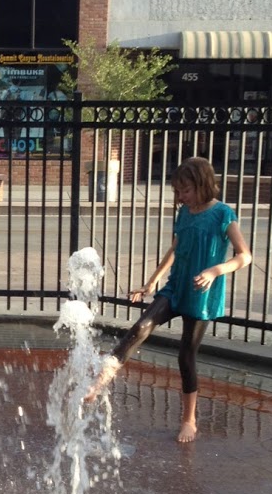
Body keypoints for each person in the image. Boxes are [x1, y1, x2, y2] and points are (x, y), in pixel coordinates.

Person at [85, 157, 252, 443]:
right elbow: (175, 248)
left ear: (202, 184)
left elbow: (244, 256)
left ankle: (189, 419)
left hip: (202, 292)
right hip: (175, 287)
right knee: (140, 327)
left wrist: (215, 270)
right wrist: (151, 282)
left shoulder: (223, 214)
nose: (181, 197)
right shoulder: (185, 213)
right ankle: (101, 381)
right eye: (178, 191)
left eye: (185, 190)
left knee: (186, 355)